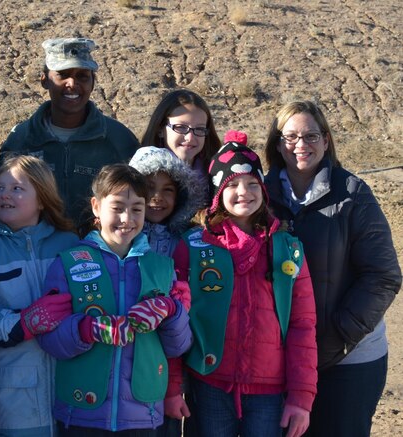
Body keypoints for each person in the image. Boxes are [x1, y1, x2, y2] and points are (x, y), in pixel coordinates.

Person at [263, 101, 401, 437]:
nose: (301, 145)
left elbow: (383, 274)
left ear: (326, 141)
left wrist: (335, 336)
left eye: (311, 136)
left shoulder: (352, 194)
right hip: (281, 358)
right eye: (291, 136)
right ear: (277, 143)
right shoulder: (259, 195)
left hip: (348, 357)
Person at [171, 132, 317, 437]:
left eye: (252, 184)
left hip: (269, 389)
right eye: (232, 185)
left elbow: (303, 325)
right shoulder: (194, 247)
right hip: (210, 382)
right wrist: (173, 387)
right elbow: (174, 320)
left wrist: (301, 398)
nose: (244, 192)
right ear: (217, 193)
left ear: (263, 190)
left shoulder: (287, 248)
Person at [37, 163, 192, 436]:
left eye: (136, 209)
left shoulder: (161, 267)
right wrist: (87, 329)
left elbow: (178, 345)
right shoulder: (69, 263)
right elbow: (49, 337)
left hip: (142, 416)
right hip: (82, 413)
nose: (127, 218)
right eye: (117, 207)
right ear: (96, 207)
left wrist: (170, 310)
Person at [0, 155, 79, 436]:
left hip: (71, 396)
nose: (5, 195)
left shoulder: (70, 244)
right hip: (11, 401)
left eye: (17, 189)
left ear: (43, 199)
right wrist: (22, 323)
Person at [0, 37, 139, 223]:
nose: (72, 83)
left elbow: (139, 201)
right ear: (44, 80)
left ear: (92, 83)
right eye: (63, 74)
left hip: (98, 249)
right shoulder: (21, 140)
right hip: (35, 249)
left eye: (82, 76)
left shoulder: (119, 139)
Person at [129, 146, 205, 437]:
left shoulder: (188, 242)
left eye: (168, 190)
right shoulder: (120, 239)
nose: (157, 198)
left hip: (171, 359)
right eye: (148, 188)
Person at [139, 89, 222, 186]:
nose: (190, 138)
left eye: (199, 129)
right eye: (181, 127)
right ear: (160, 129)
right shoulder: (141, 177)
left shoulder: (218, 175)